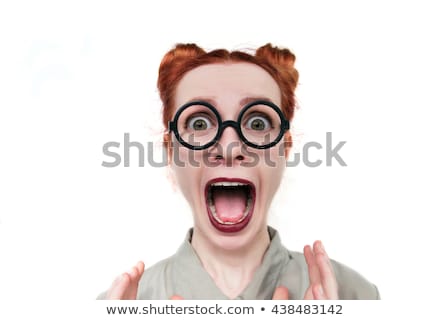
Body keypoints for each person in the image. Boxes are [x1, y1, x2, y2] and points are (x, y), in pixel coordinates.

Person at [98, 43, 380, 300]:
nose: (230, 146)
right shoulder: (120, 305)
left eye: (257, 124)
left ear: (285, 149)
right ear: (171, 152)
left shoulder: (355, 296)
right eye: (198, 124)